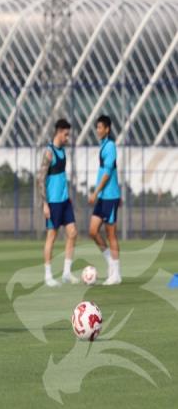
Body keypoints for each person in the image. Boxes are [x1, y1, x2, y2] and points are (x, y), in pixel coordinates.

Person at [38, 119, 79, 287]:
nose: (68, 138)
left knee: (73, 233)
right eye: (66, 134)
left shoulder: (63, 152)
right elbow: (40, 179)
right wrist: (44, 203)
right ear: (59, 132)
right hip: (53, 202)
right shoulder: (49, 152)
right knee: (52, 237)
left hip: (65, 200)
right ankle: (48, 276)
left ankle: (66, 273)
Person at [88, 115, 122, 285]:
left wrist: (95, 192)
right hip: (103, 197)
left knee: (111, 234)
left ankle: (116, 274)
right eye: (97, 127)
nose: (98, 130)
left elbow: (108, 174)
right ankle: (110, 262)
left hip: (109, 196)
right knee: (93, 231)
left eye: (100, 127)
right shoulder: (103, 145)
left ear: (107, 129)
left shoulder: (110, 146)